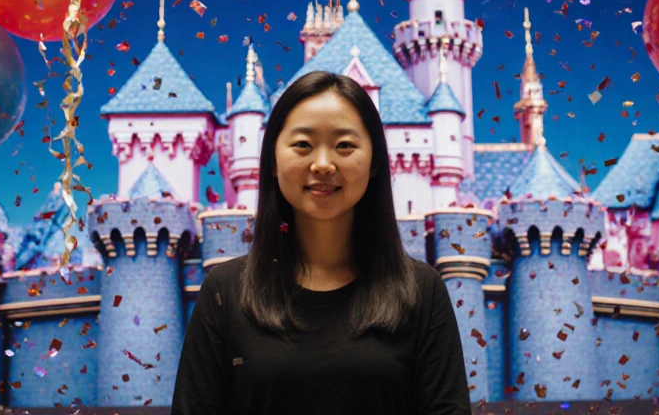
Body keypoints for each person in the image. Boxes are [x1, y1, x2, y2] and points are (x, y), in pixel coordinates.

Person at [170, 71, 472, 415]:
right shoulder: (225, 292)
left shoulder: (421, 292)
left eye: (345, 145)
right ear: (271, 160)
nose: (324, 164)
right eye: (303, 144)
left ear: (374, 161)